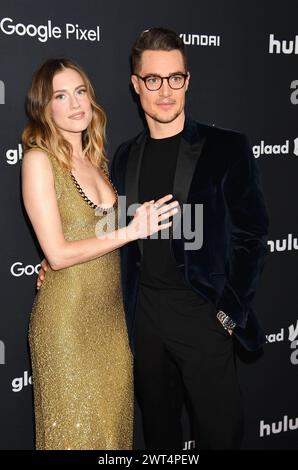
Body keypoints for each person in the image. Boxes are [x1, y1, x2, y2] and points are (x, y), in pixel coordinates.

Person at [38, 27, 269, 450]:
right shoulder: (124, 156)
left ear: (187, 80)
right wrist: (54, 257)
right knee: (159, 439)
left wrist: (227, 316)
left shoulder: (227, 148)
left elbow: (253, 236)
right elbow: (106, 226)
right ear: (136, 84)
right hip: (142, 322)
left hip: (203, 318)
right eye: (153, 80)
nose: (165, 91)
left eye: (175, 78)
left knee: (220, 436)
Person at [22, 57, 178, 450]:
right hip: (68, 324)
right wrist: (131, 230)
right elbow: (57, 254)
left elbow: (90, 237)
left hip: (112, 323)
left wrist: (135, 226)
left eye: (80, 92)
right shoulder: (39, 160)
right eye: (61, 95)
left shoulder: (98, 161)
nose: (75, 104)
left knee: (113, 437)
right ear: (45, 106)